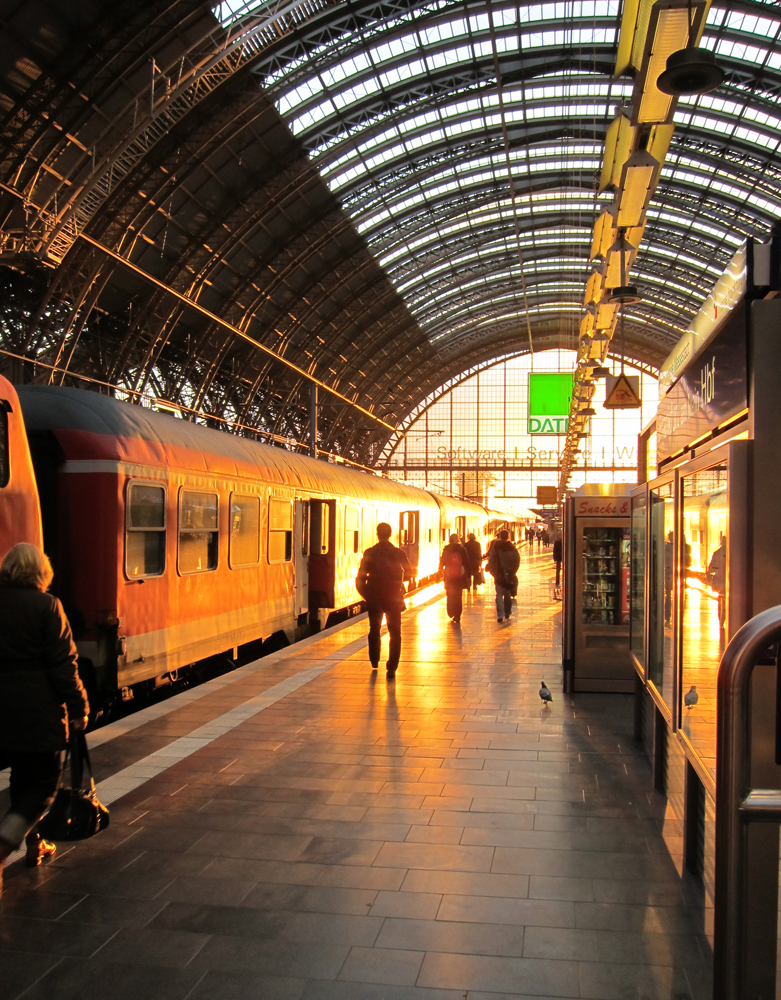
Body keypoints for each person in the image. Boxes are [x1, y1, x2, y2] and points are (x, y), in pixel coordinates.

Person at [0, 543, 89, 895]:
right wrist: (79, 709)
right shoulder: (46, 607)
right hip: (36, 712)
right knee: (40, 786)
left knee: (24, 778)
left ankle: (36, 844)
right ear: (42, 572)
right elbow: (63, 665)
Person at [355, 523, 412, 678]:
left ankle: (374, 659)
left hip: (375, 597)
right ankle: (392, 666)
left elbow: (360, 578)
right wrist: (397, 585)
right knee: (395, 632)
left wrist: (367, 595)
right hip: (393, 598)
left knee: (374, 629)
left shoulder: (370, 552)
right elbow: (409, 574)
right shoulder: (398, 553)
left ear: (377, 534)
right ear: (390, 534)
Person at [487, 529, 520, 623]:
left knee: (499, 595)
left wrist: (494, 571)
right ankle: (507, 613)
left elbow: (492, 560)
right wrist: (513, 571)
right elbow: (517, 560)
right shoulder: (512, 548)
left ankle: (500, 615)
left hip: (498, 574)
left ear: (500, 536)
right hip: (509, 574)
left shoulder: (496, 547)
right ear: (508, 537)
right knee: (507, 595)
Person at [439, 533, 470, 624]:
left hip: (449, 577)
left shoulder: (447, 549)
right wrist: (468, 577)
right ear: (457, 540)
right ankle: (457, 615)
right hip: (460, 577)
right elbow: (467, 563)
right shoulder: (462, 549)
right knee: (458, 596)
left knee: (450, 594)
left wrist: (440, 570)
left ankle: (451, 612)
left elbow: (442, 562)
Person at [552, 533, 563, 599]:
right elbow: (555, 551)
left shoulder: (564, 541)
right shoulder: (557, 542)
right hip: (559, 558)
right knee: (558, 570)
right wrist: (555, 558)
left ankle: (562, 581)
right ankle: (557, 582)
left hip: (564, 557)